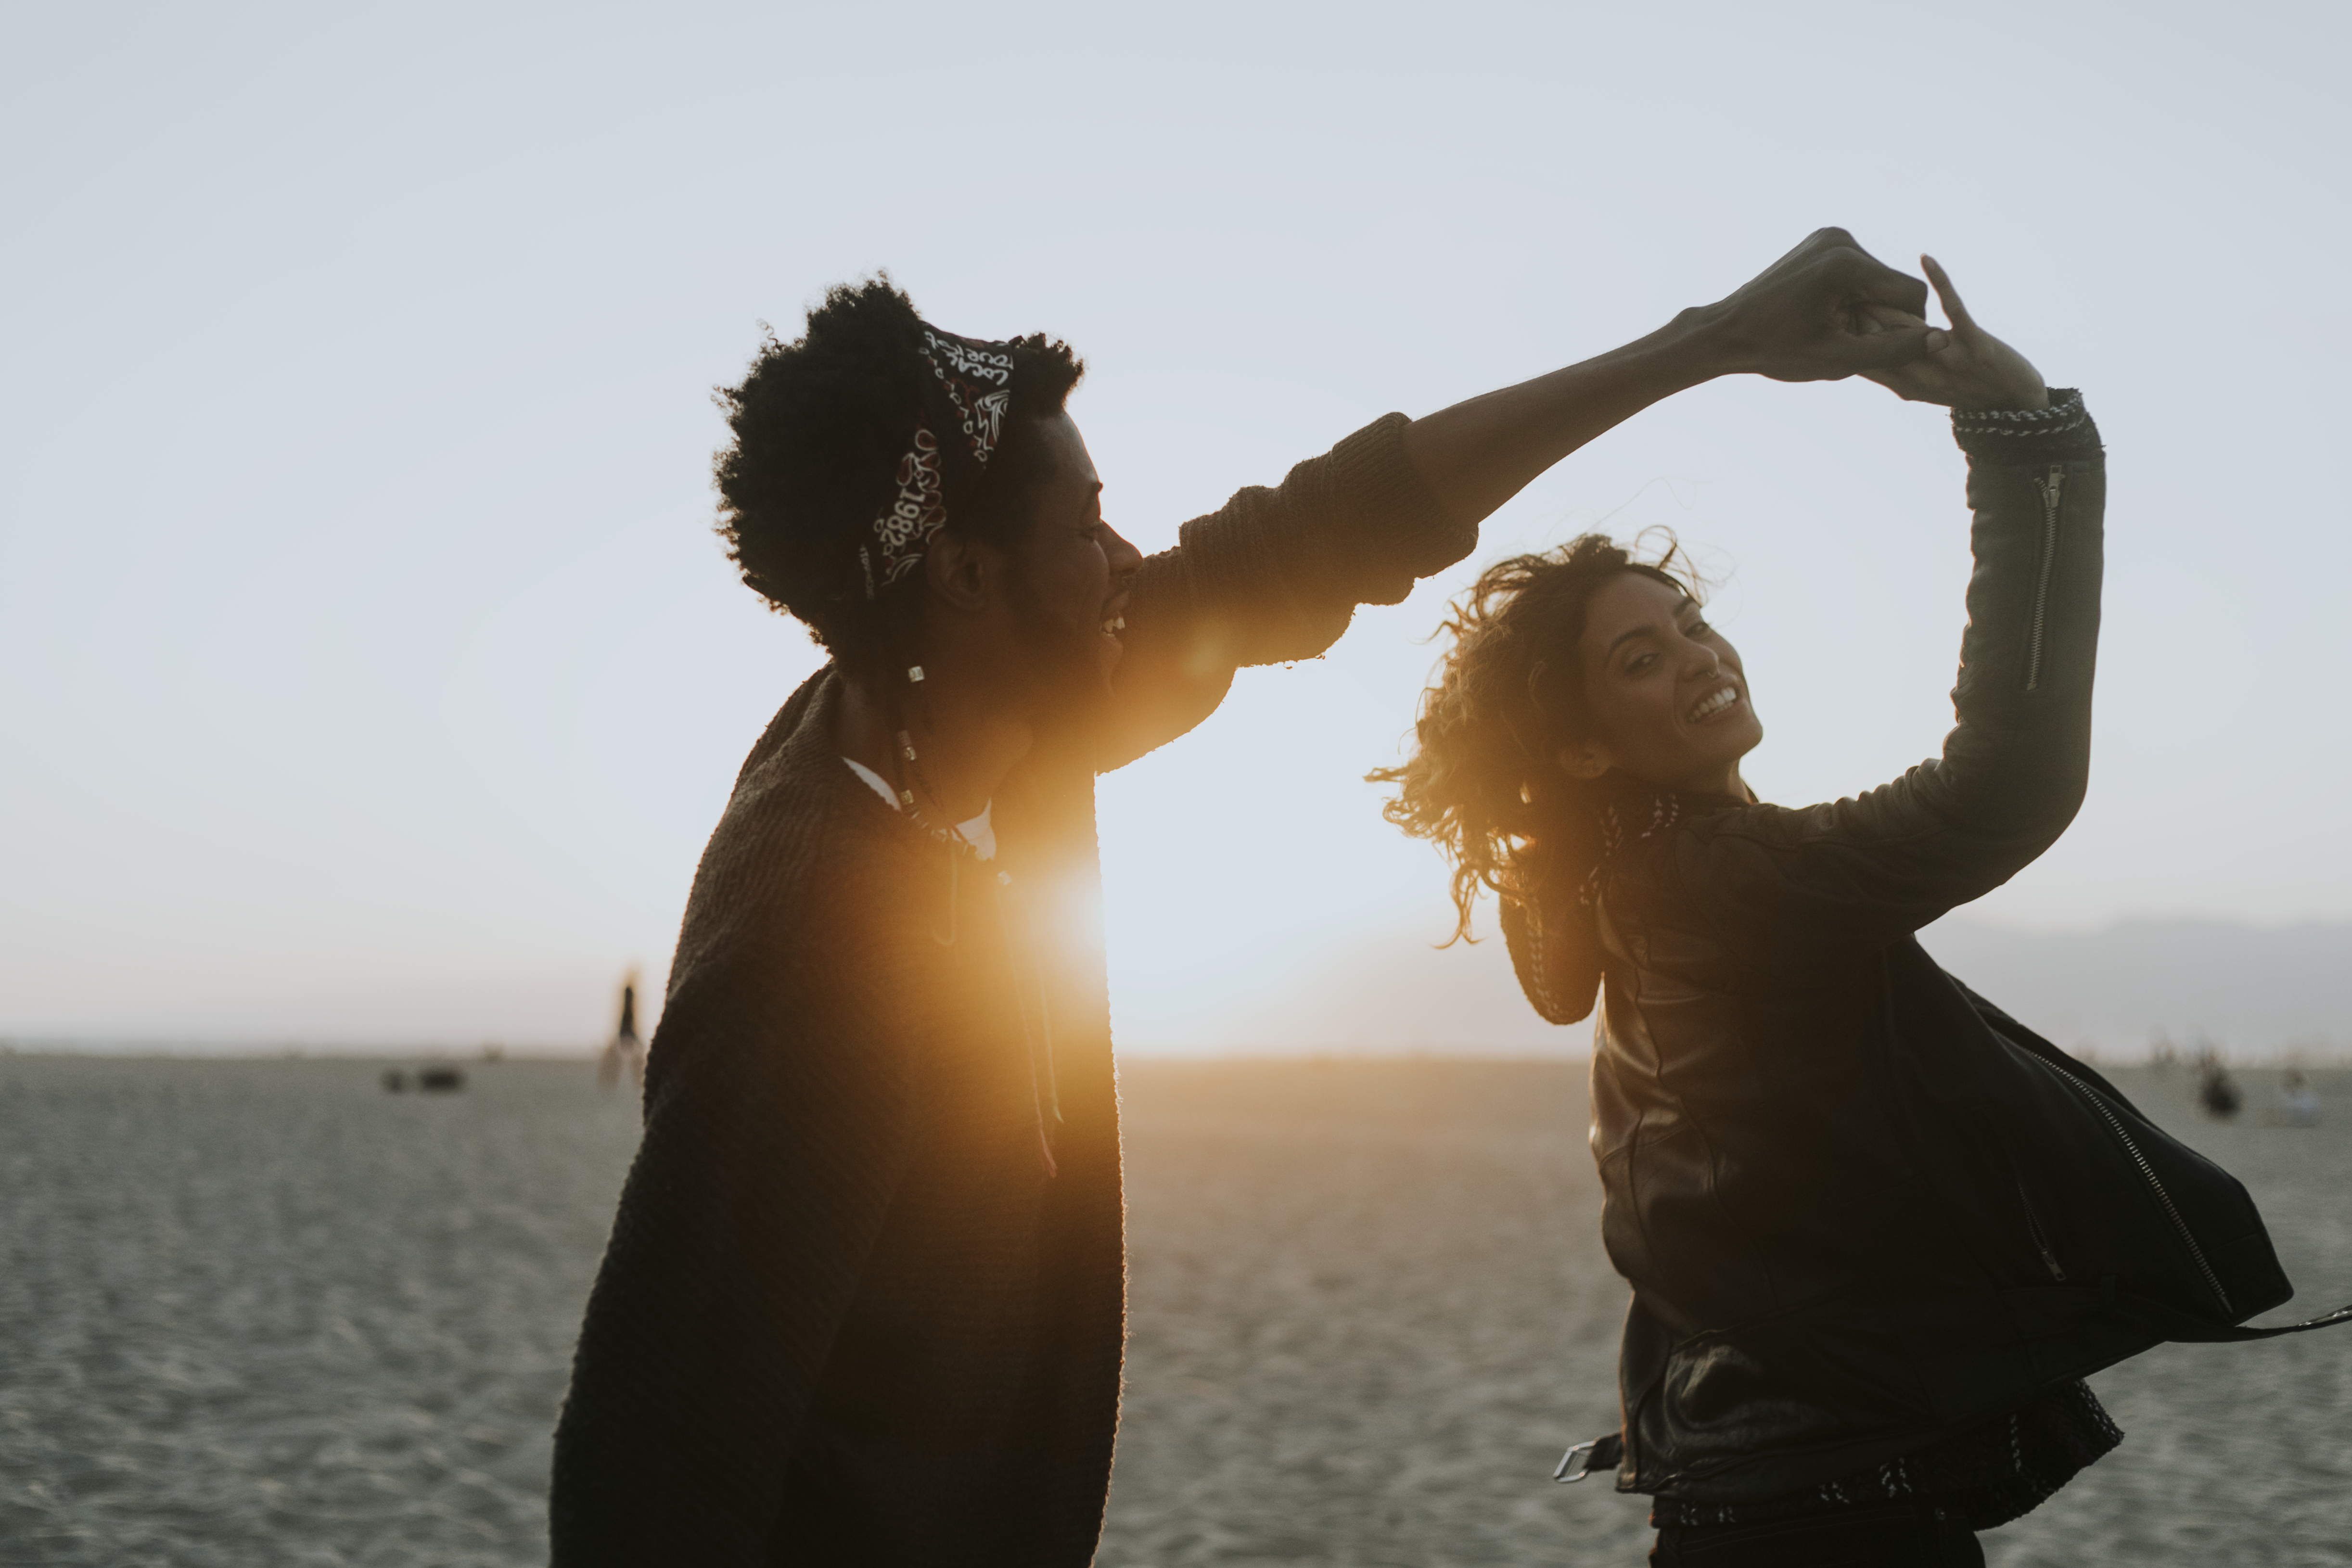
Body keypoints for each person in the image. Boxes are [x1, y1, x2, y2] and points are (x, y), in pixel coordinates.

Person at [548, 232, 1952, 1566]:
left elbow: (1331, 529)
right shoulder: (811, 951)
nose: (1126, 561)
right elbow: (652, 1471)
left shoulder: (1001, 712)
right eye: (1088, 524)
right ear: (968, 575)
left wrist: (1713, 342)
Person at [1376, 258, 2343, 1565]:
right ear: (1586, 747)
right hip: (1835, 1511)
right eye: (1638, 659)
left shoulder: (1624, 883)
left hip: (1757, 1487)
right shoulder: (1715, 887)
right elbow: (1999, 782)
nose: (1700, 657)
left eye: (1690, 623)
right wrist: (2024, 440)